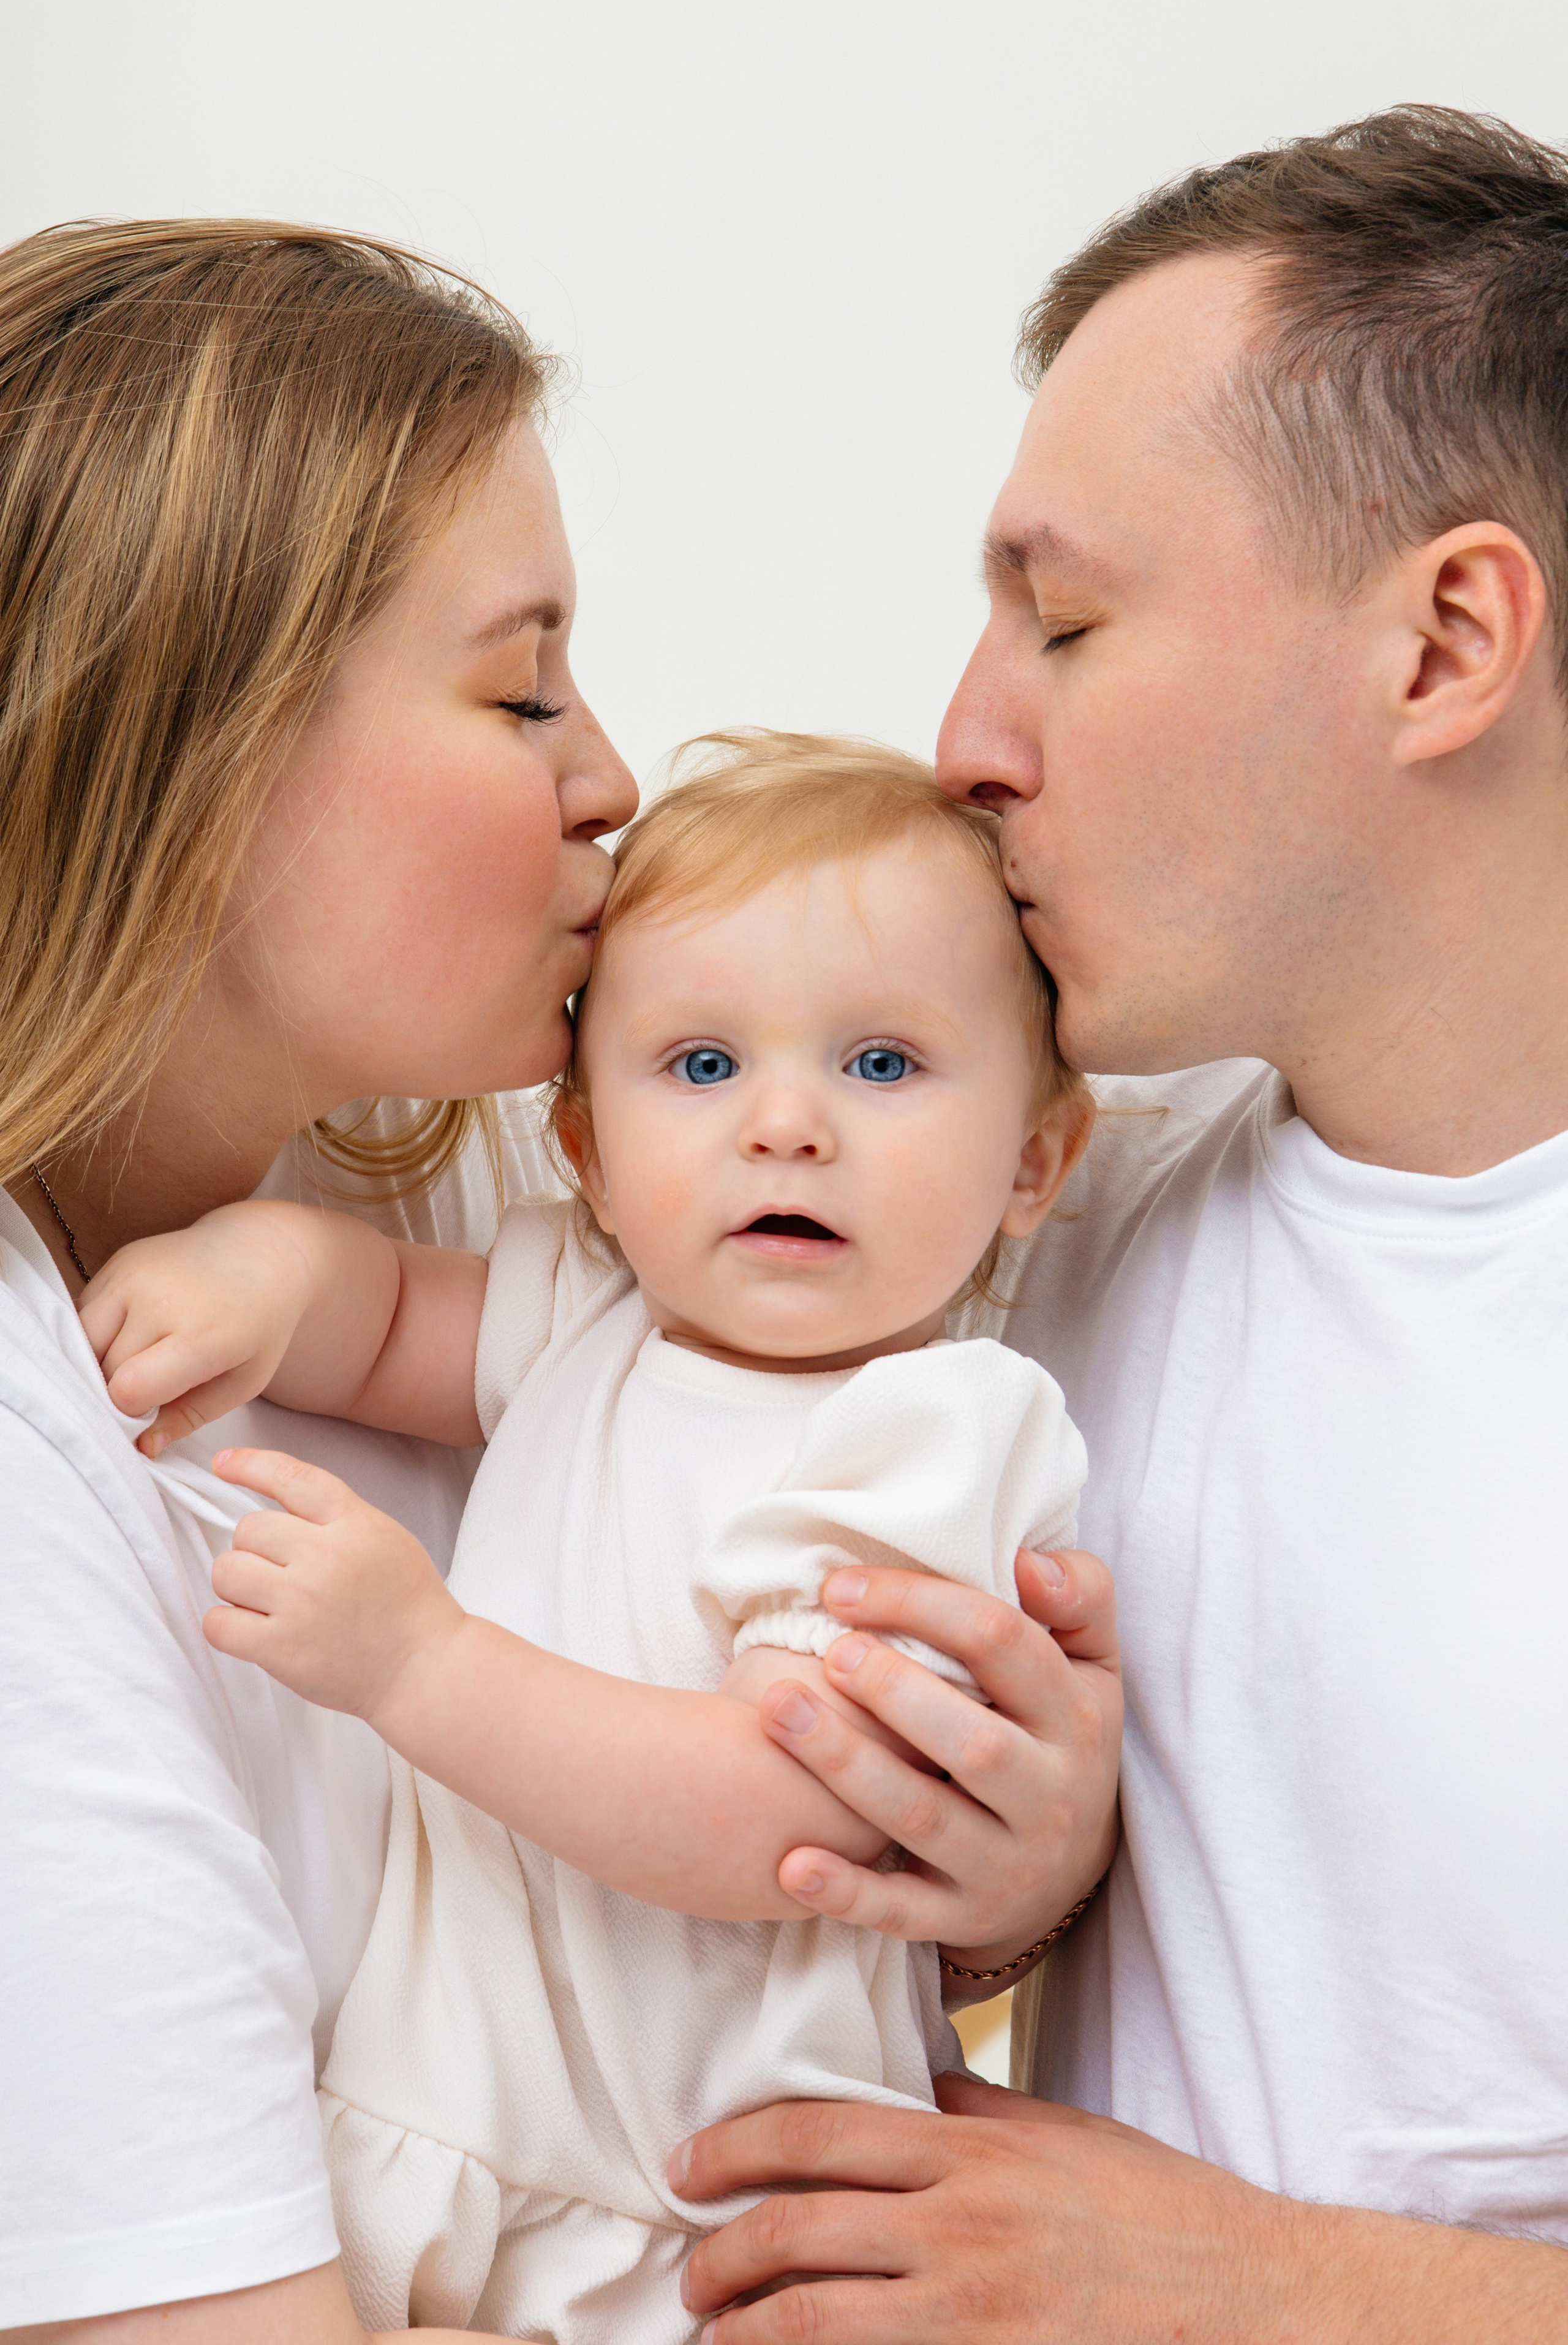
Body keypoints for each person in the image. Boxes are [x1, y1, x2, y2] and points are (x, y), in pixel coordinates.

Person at [0, 227, 1116, 2344]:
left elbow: (762, 1755)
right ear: (190, 758)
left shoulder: (475, 1165)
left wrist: (996, 1874)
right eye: (521, 688)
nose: (609, 778)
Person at [673, 104, 1568, 2342]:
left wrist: (1259, 2285)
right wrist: (981, 1899)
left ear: (1447, 641)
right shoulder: (1041, 1229)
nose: (967, 736)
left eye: (1062, 620)